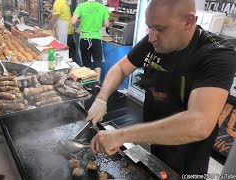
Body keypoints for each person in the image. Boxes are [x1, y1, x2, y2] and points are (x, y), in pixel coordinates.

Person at [86, 0, 236, 176]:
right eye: (149, 27)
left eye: (160, 29)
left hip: (187, 153)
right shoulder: (153, 41)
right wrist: (101, 99)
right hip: (154, 138)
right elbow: (121, 68)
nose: (151, 37)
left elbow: (199, 123)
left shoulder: (216, 54)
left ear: (188, 22)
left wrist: (121, 135)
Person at [71, 0, 109, 81]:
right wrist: (98, 23)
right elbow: (106, 24)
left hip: (84, 38)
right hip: (96, 38)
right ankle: (97, 82)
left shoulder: (81, 6)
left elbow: (72, 21)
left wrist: (82, 20)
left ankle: (88, 82)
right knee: (97, 60)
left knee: (86, 61)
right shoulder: (102, 7)